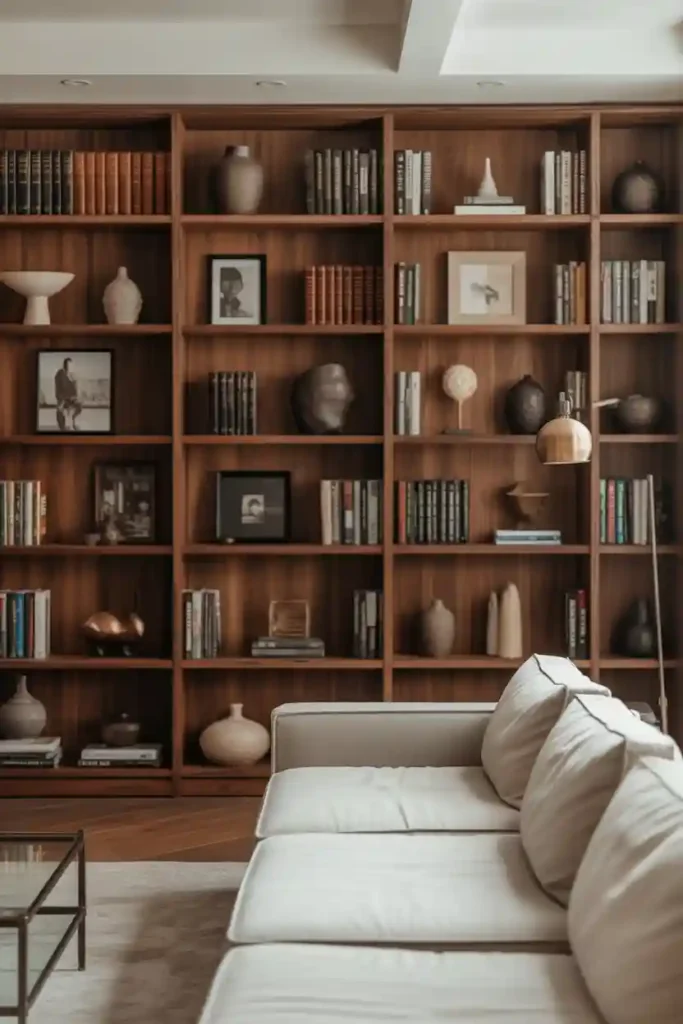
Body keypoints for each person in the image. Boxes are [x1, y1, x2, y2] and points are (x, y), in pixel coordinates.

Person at [54, 357, 82, 431]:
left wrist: (75, 397)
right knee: (60, 409)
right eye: (67, 365)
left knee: (79, 406)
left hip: (70, 398)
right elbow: (59, 389)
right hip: (62, 398)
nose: (69, 367)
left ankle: (73, 421)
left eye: (70, 365)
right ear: (64, 365)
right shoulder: (60, 374)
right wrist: (62, 399)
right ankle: (62, 427)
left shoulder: (72, 375)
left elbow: (75, 390)